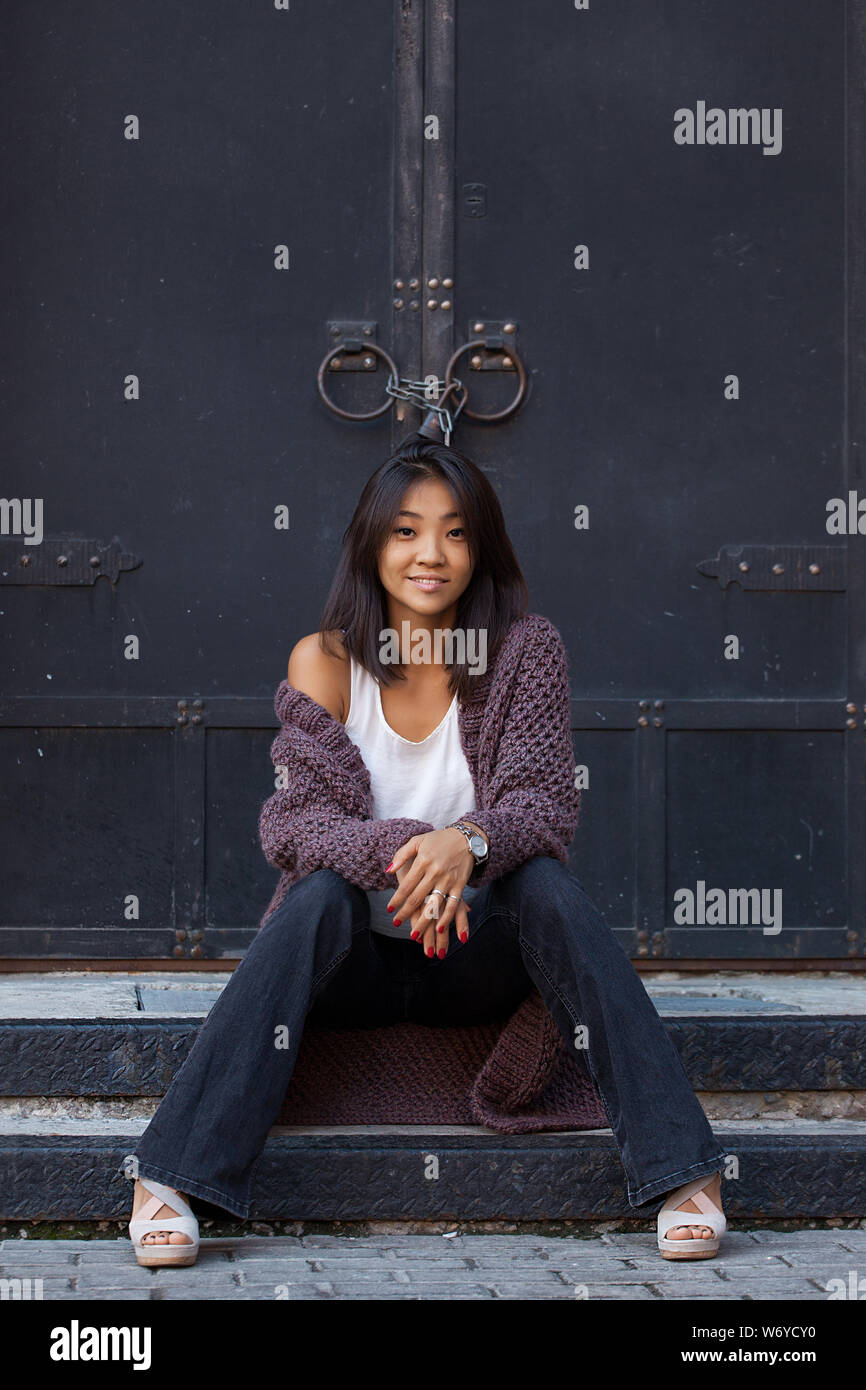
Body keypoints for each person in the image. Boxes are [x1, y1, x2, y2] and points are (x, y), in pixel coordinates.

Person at [124, 433, 727, 1266]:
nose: (430, 555)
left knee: (544, 884)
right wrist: (419, 849)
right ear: (372, 544)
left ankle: (685, 1172)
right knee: (319, 895)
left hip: (475, 959)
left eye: (454, 531)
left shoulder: (524, 651)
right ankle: (171, 1178)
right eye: (406, 531)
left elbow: (543, 807)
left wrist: (470, 844)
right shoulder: (326, 660)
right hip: (355, 965)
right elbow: (294, 827)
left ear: (481, 547)